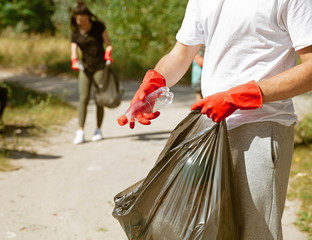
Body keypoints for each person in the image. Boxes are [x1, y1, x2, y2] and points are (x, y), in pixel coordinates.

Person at [118, 0, 312, 239]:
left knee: (255, 234)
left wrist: (242, 96)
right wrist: (156, 81)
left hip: (261, 128)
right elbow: (181, 54)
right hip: (209, 127)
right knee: (204, 230)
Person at [70, 1, 113, 144]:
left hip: (100, 66)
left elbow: (108, 44)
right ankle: (80, 131)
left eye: (83, 19)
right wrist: (75, 60)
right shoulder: (75, 32)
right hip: (85, 67)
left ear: (88, 17)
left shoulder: (98, 27)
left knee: (98, 97)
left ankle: (98, 129)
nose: (81, 22)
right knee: (83, 99)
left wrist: (108, 54)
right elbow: (73, 49)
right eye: (78, 20)